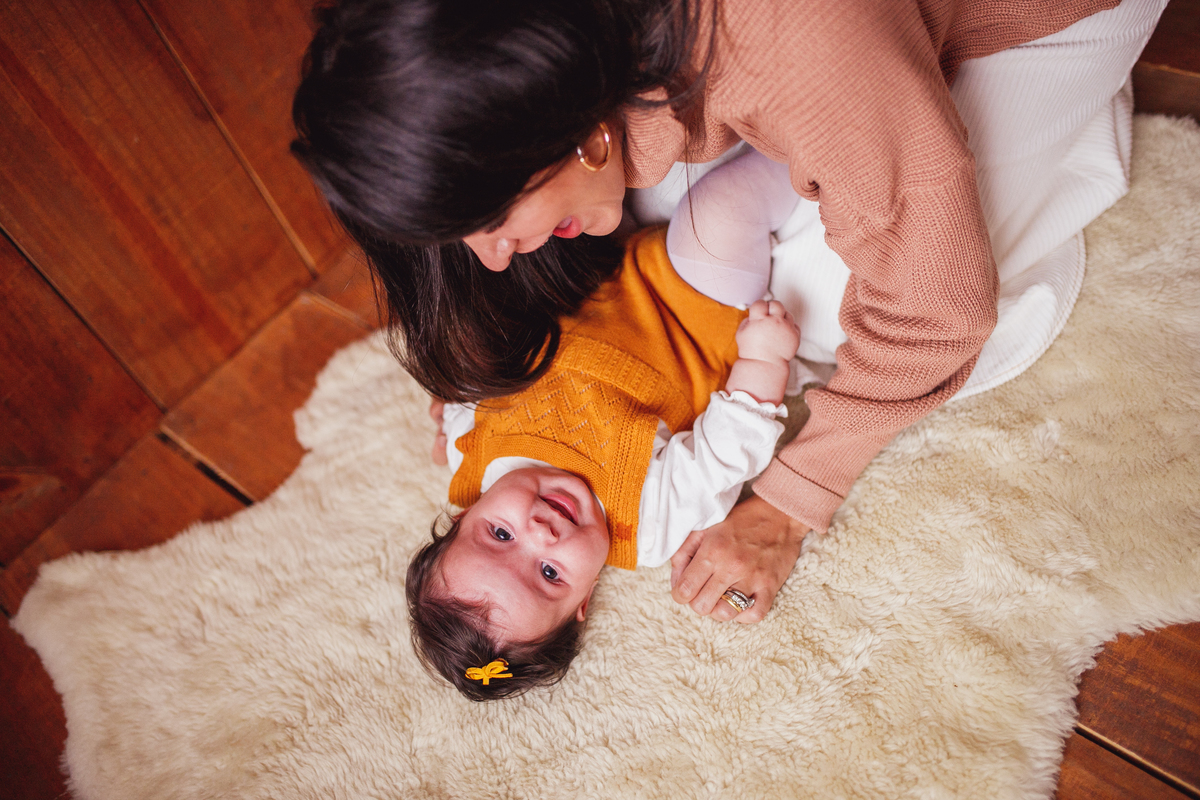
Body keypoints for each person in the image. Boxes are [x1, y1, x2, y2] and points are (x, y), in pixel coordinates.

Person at [292, 0, 1167, 625]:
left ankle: (1007, 121)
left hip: (1037, 18)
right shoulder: (636, 523)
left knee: (852, 302)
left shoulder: (794, 46)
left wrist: (788, 503)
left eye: (489, 225)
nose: (492, 258)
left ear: (574, 134)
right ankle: (909, 121)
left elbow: (936, 312)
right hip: (823, 89)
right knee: (724, 245)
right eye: (549, 572)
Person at [407, 226, 798, 700]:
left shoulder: (469, 454)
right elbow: (724, 454)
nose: (541, 533)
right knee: (721, 219)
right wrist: (763, 361)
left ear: (464, 514)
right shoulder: (644, 526)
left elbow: (474, 369)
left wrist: (450, 398)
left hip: (585, 263)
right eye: (550, 573)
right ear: (585, 596)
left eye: (501, 535)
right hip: (694, 306)